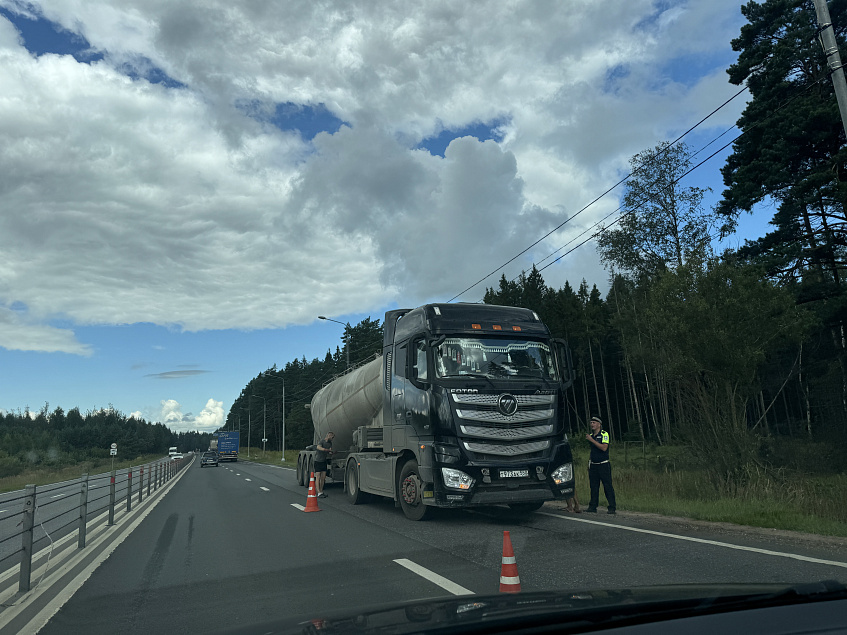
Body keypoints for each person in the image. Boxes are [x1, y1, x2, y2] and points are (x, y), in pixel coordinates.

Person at [585, 416, 616, 514]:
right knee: (593, 486)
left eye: (594, 422)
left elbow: (604, 448)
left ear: (599, 424)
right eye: (591, 423)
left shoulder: (604, 434)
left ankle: (612, 507)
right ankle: (593, 506)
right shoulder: (591, 435)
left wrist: (592, 440)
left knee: (607, 486)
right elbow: (592, 451)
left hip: (603, 465)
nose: (592, 424)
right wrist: (589, 463)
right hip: (593, 465)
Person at [314, 431, 334, 498]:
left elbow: (330, 451)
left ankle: (321, 491)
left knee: (323, 477)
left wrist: (331, 452)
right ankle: (318, 492)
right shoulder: (322, 441)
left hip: (324, 461)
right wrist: (325, 450)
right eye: (332, 437)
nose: (332, 438)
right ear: (328, 435)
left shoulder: (330, 443)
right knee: (318, 476)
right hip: (318, 461)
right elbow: (318, 447)